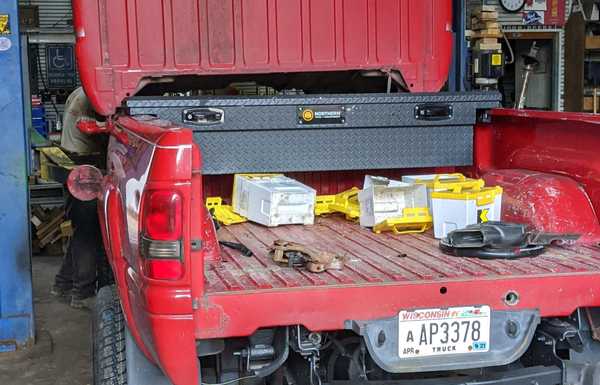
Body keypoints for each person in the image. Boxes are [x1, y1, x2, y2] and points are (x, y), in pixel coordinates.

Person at [50, 87, 108, 309]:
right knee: (87, 234)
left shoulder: (79, 91)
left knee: (79, 229)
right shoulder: (98, 95)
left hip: (71, 165)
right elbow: (106, 130)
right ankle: (82, 293)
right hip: (85, 169)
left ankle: (62, 283)